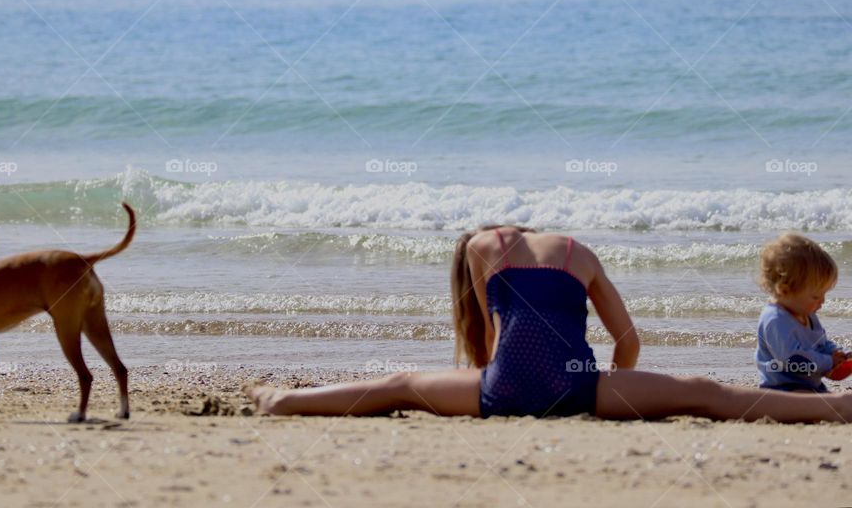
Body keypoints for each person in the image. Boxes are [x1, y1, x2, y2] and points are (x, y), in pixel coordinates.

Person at [245, 226, 852, 422]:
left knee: (402, 381)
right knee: (709, 394)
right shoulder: (576, 251)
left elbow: (488, 345)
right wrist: (613, 390)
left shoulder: (481, 247)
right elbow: (628, 340)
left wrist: (496, 383)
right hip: (578, 386)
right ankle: (837, 411)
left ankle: (284, 400)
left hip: (502, 389)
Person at [755, 233, 849, 392]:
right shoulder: (775, 319)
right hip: (782, 389)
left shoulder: (807, 314)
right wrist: (828, 362)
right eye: (815, 296)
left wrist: (837, 353)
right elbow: (794, 361)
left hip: (811, 385)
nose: (822, 301)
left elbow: (821, 343)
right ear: (785, 290)